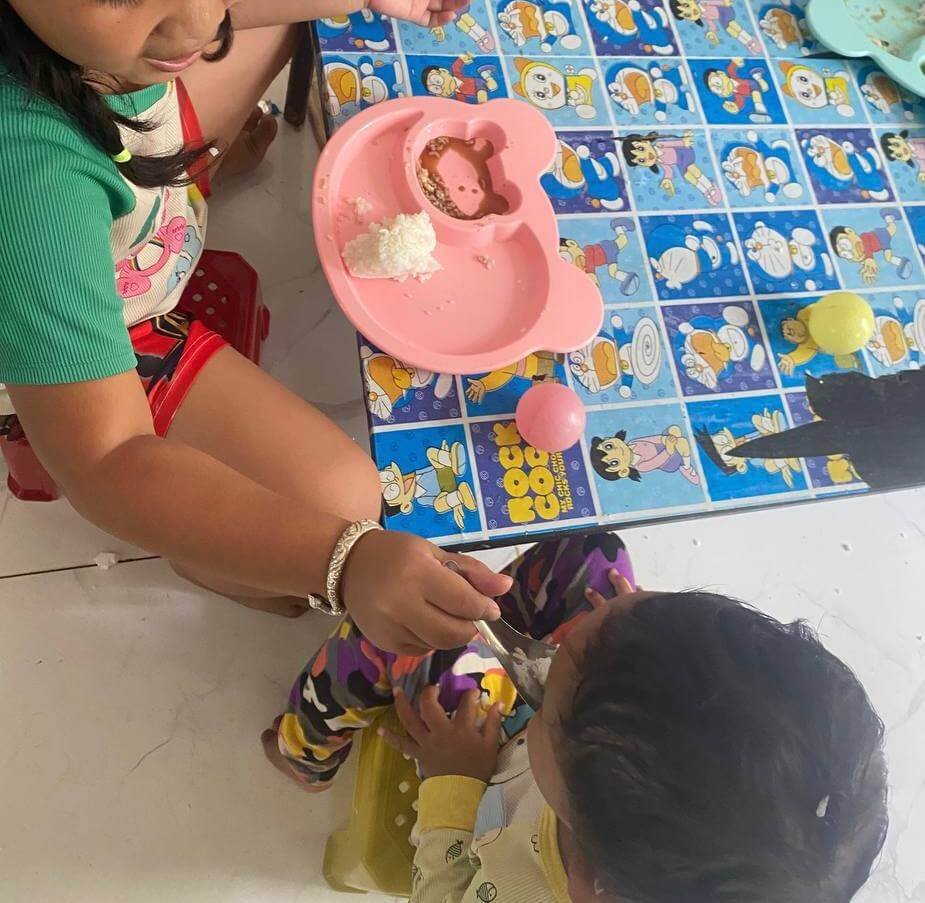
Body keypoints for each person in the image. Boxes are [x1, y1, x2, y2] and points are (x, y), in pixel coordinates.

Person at [0, 0, 510, 653]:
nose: (198, 24)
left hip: (113, 182)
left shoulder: (137, 29)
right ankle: (208, 560)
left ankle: (161, 186)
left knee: (278, 24)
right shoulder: (26, 187)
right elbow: (105, 458)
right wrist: (341, 560)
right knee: (343, 499)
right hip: (116, 338)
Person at [264, 535, 888, 902]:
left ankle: (304, 754)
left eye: (554, 679)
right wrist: (626, 639)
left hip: (469, 772)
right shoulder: (656, 825)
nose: (562, 645)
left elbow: (443, 887)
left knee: (386, 642)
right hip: (591, 760)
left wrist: (453, 783)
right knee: (598, 555)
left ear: (591, 878)